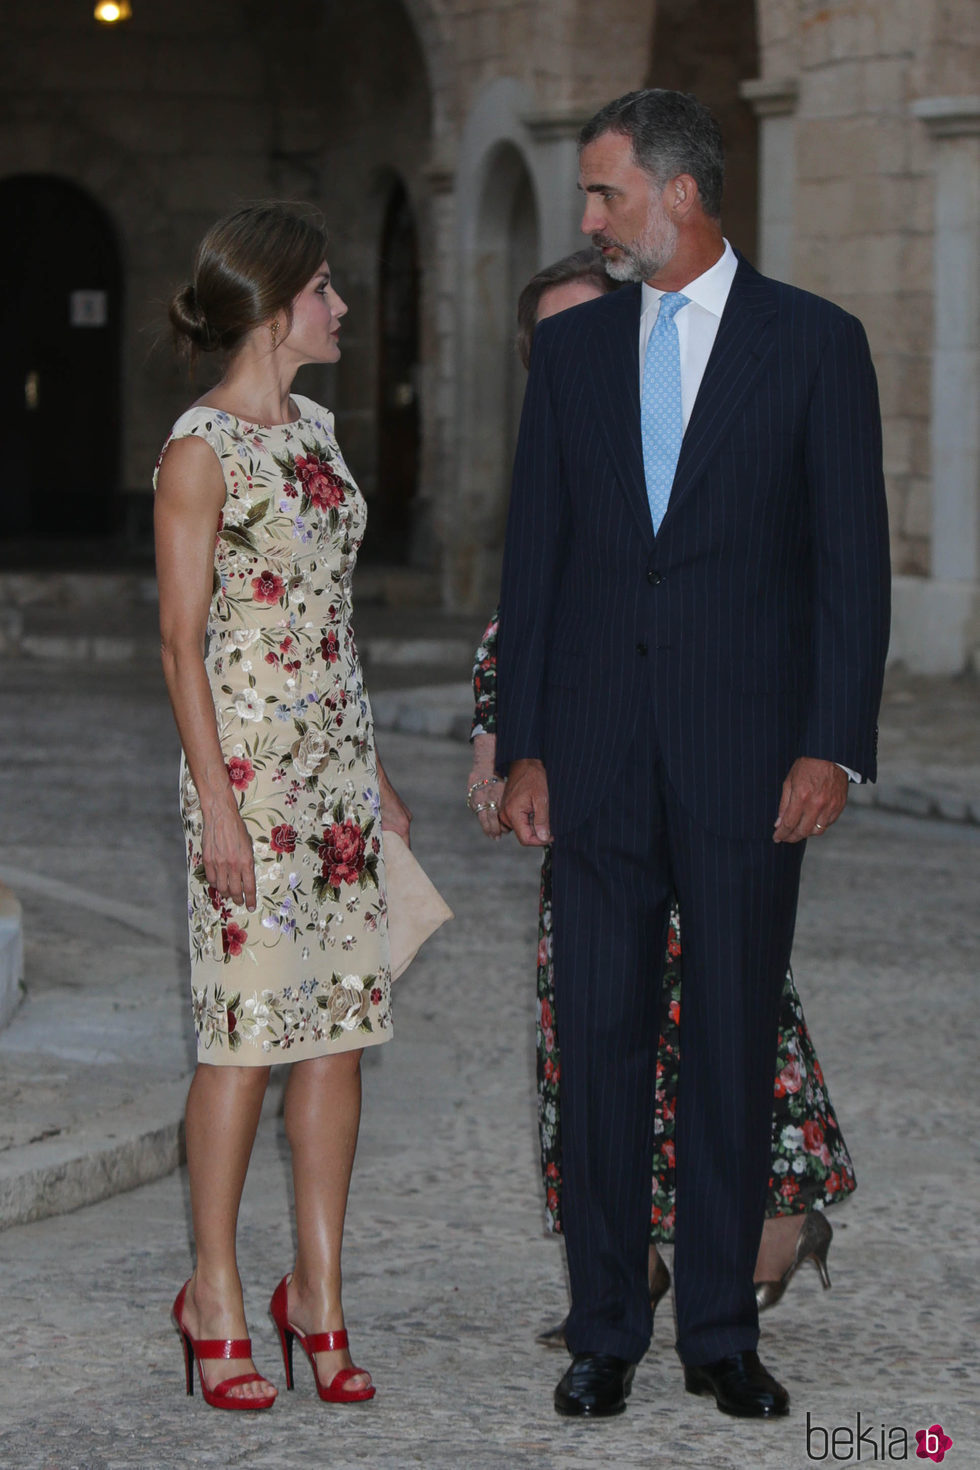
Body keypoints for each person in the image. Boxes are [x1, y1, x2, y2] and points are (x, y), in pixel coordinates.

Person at [495, 90, 890, 1421]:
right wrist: (527, 746)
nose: (590, 219)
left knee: (729, 1039)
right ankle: (606, 1324)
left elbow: (850, 566)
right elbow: (536, 557)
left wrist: (832, 742)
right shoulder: (578, 352)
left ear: (678, 195)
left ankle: (723, 1329)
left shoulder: (816, 345)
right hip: (596, 757)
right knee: (598, 1039)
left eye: (605, 195)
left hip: (747, 761)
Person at [154, 203, 411, 1411]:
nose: (341, 306)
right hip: (249, 782)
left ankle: (317, 1294)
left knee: (339, 1033)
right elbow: (178, 639)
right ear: (271, 305)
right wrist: (215, 806)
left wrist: (372, 775)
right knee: (243, 1043)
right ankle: (213, 1290)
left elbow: (329, 616)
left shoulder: (316, 429)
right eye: (323, 288)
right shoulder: (199, 449)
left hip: (336, 783)